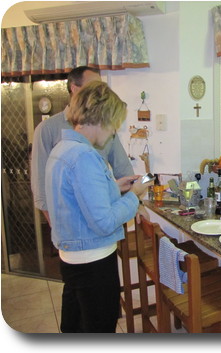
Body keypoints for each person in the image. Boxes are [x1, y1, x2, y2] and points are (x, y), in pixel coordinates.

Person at [45, 81, 150, 333]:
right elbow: (103, 222)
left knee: (74, 325)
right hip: (92, 262)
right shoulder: (85, 156)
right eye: (114, 124)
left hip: (72, 259)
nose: (114, 132)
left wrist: (115, 187)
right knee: (99, 327)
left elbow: (79, 201)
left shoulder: (63, 149)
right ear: (102, 118)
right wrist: (134, 196)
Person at [31, 66, 148, 224]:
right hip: (84, 229)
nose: (100, 91)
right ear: (74, 89)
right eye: (94, 86)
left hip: (101, 223)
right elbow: (41, 185)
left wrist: (135, 202)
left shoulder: (90, 136)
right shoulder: (50, 131)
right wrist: (56, 225)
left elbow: (123, 169)